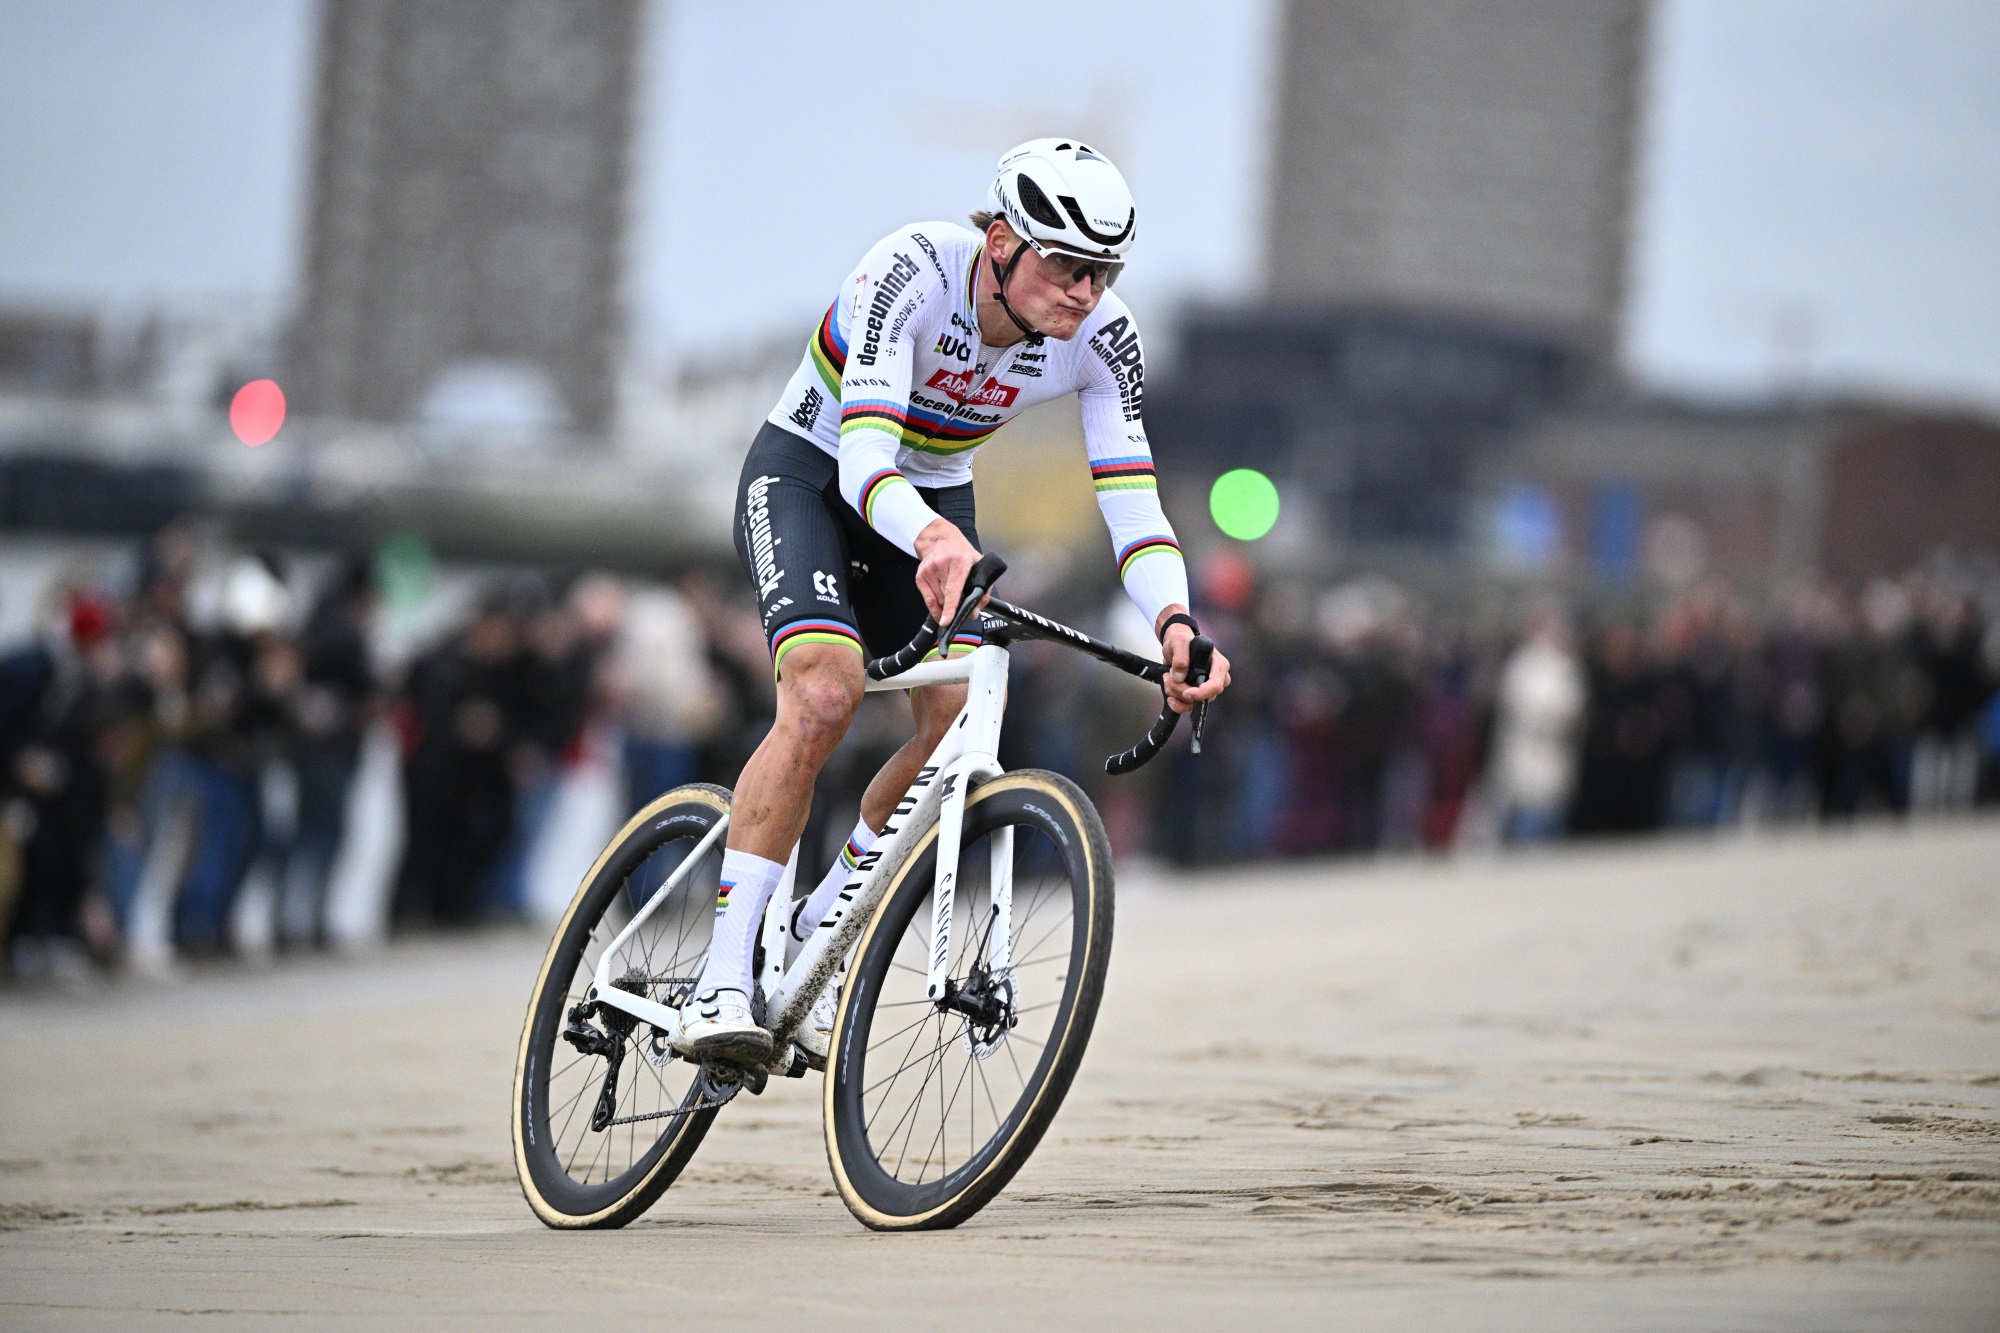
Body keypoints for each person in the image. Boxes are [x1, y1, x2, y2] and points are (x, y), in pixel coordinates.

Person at [681, 139, 1232, 1061]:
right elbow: (862, 461)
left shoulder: (1104, 336)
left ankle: (817, 932)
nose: (1084, 294)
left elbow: (1133, 504)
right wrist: (935, 538)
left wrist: (1174, 620)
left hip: (935, 492)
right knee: (825, 692)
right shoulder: (910, 270)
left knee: (957, 711)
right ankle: (720, 980)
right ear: (1004, 243)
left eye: (1103, 273)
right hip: (814, 474)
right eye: (1065, 266)